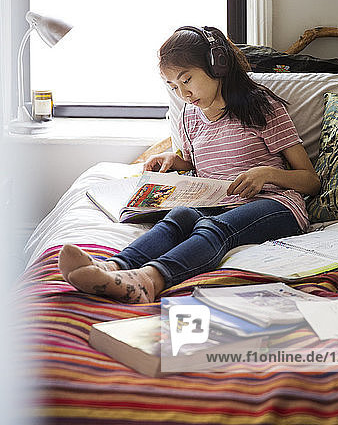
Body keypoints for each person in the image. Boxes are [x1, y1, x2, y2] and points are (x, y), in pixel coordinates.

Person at [58, 26, 320, 303]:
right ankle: (114, 267)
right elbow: (195, 163)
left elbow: (311, 180)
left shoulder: (262, 107)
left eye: (187, 80)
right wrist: (175, 161)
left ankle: (149, 280)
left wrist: (267, 174)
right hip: (220, 203)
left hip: (277, 206)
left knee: (214, 229)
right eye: (173, 86)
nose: (183, 93)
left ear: (217, 65)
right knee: (180, 216)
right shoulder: (190, 116)